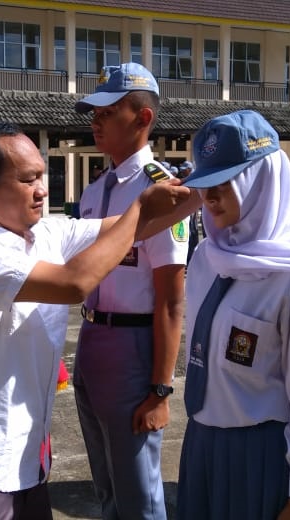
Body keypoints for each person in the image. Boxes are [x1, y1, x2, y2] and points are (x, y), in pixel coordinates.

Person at [0, 122, 190, 519]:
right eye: (28, 180)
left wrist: (213, 186)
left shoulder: (44, 233)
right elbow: (73, 283)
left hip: (26, 466)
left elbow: (138, 228)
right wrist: (141, 205)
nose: (43, 189)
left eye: (42, 176)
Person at [176, 110, 290, 520]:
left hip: (262, 457)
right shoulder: (207, 258)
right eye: (205, 184)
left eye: (225, 181)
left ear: (261, 180)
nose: (210, 196)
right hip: (202, 444)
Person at [71, 62, 188, 520]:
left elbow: (171, 300)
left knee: (138, 493)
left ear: (143, 119)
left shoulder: (162, 189)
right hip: (93, 340)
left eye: (108, 111)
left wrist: (160, 390)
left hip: (135, 346)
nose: (95, 120)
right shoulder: (94, 191)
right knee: (106, 486)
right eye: (94, 112)